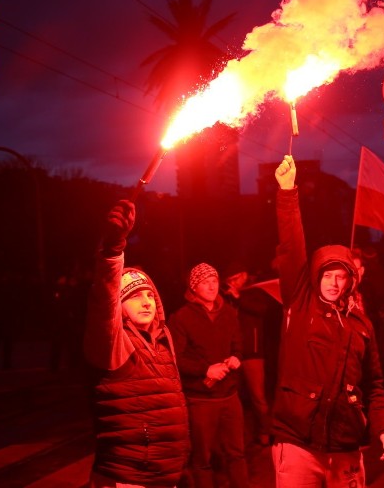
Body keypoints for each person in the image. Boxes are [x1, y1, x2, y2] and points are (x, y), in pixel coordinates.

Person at [272, 154, 384, 488]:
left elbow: (375, 384)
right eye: (328, 275)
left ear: (351, 282)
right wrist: (287, 193)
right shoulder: (300, 304)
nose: (334, 283)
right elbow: (292, 248)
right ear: (316, 277)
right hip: (297, 440)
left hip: (345, 444)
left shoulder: (361, 323)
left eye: (342, 277)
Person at [84, 200, 190, 488]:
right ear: (119, 306)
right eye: (134, 296)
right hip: (129, 478)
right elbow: (103, 303)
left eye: (149, 296)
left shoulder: (162, 343)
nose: (146, 301)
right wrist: (112, 251)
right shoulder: (114, 344)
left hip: (165, 476)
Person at [169, 262, 249, 488]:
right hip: (200, 400)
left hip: (230, 397)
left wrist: (236, 357)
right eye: (205, 282)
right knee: (202, 458)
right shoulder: (181, 318)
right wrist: (205, 369)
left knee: (236, 453)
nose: (212, 286)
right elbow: (176, 358)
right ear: (194, 287)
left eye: (214, 281)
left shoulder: (229, 313)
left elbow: (238, 346)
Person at [225, 261, 277, 448]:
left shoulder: (255, 292)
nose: (233, 283)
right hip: (232, 354)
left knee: (258, 396)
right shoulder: (229, 297)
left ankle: (266, 433)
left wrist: (239, 298)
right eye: (230, 280)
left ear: (244, 275)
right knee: (236, 398)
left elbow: (261, 310)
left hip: (253, 352)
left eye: (235, 278)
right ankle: (240, 438)